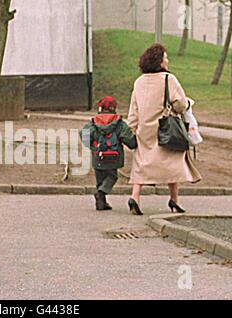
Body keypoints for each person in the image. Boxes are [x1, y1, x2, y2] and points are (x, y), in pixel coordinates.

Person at [127, 43, 201, 215]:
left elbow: (133, 110)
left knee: (141, 164)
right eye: (165, 57)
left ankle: (135, 197)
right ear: (159, 61)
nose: (167, 60)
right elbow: (180, 105)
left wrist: (131, 129)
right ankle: (174, 200)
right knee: (173, 161)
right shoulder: (169, 79)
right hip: (166, 129)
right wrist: (187, 104)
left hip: (145, 130)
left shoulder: (139, 82)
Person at [80, 96, 137, 210]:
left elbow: (84, 135)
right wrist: (134, 144)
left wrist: (92, 146)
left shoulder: (93, 122)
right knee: (112, 176)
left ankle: (101, 201)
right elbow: (129, 139)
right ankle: (101, 193)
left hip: (98, 155)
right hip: (114, 157)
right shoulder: (119, 123)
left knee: (100, 178)